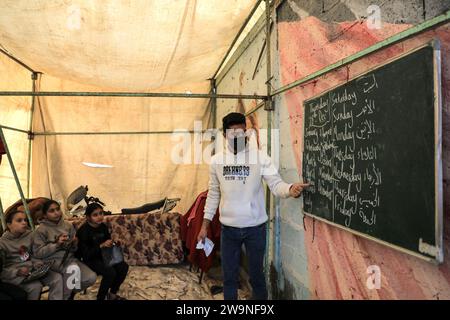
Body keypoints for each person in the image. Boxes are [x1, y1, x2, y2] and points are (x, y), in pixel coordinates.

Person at [197, 112, 309, 300]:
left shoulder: (260, 158)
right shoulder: (216, 161)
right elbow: (213, 194)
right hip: (229, 231)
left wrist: (290, 188)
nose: (238, 137)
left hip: (255, 230)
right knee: (229, 278)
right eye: (233, 133)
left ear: (246, 133)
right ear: (225, 135)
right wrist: (204, 225)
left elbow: (276, 184)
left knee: (257, 276)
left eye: (242, 133)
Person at [32, 200, 97, 300]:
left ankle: (67, 293)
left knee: (91, 277)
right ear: (44, 215)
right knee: (73, 270)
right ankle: (65, 296)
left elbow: (73, 250)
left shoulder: (68, 225)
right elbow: (38, 253)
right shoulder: (40, 230)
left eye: (58, 209)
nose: (56, 212)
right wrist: (57, 245)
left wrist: (74, 244)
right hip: (51, 262)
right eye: (52, 211)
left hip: (69, 260)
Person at [0, 210, 63, 300]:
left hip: (34, 270)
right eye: (19, 220)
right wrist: (17, 271)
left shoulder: (30, 235)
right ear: (9, 224)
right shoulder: (2, 243)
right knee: (35, 287)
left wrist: (36, 262)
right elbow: (1, 270)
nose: (24, 223)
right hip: (16, 276)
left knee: (57, 278)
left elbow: (34, 254)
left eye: (25, 220)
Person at [76, 203, 128, 300]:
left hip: (103, 256)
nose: (100, 217)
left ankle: (112, 294)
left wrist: (114, 242)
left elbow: (107, 241)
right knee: (110, 272)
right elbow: (85, 254)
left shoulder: (102, 226)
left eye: (101, 213)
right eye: (95, 215)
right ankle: (100, 298)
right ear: (88, 217)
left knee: (123, 267)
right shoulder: (83, 231)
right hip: (89, 260)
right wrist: (101, 246)